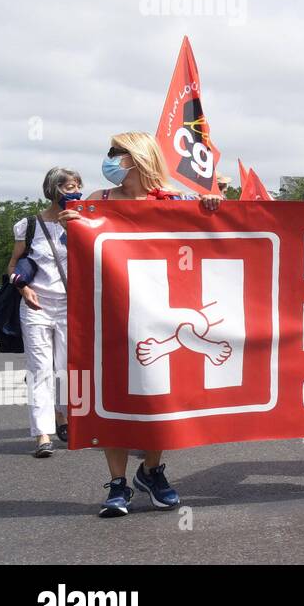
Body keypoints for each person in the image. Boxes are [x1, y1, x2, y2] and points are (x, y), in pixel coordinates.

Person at [82, 133, 223, 517]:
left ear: (137, 158)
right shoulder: (97, 201)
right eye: (109, 152)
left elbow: (212, 233)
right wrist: (71, 224)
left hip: (159, 314)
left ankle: (151, 471)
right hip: (111, 312)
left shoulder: (174, 200)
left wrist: (212, 204)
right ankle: (117, 483)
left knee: (156, 394)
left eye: (117, 153)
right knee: (113, 395)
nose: (109, 159)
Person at [7, 167, 83, 458]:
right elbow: (13, 265)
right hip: (36, 306)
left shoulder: (83, 221)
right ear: (52, 190)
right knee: (41, 370)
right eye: (68, 187)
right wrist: (24, 289)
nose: (74, 191)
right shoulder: (29, 225)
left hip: (71, 307)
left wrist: (76, 227)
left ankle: (66, 418)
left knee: (68, 369)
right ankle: (43, 434)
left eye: (77, 186)